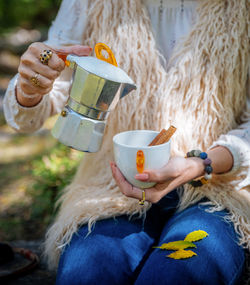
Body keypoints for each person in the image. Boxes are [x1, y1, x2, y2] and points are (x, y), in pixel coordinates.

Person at [3, 0, 249, 284]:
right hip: (109, 192)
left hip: (215, 193)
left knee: (178, 274)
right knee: (87, 275)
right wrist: (31, 86)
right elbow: (33, 112)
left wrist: (201, 163)